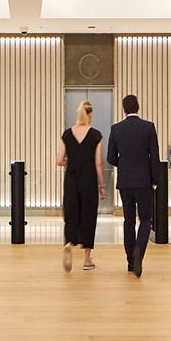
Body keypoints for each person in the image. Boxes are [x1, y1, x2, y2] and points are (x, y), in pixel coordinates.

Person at [106, 94, 160, 277]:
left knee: (128, 221)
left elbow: (110, 157)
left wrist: (125, 165)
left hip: (125, 182)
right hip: (144, 181)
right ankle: (139, 252)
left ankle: (130, 261)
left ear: (123, 109)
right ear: (138, 108)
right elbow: (155, 157)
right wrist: (155, 180)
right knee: (145, 220)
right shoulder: (148, 127)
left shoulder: (116, 129)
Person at [56, 100, 106, 272]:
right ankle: (86, 259)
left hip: (71, 179)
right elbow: (99, 163)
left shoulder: (67, 134)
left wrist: (71, 161)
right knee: (88, 215)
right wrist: (102, 184)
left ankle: (69, 243)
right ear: (89, 116)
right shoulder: (96, 135)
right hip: (88, 179)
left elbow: (58, 160)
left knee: (71, 213)